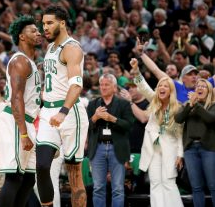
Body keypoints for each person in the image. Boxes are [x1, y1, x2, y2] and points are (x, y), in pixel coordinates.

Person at [36, 5, 89, 207]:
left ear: (63, 23)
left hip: (69, 113)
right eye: (43, 24)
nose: (45, 28)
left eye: (49, 23)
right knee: (41, 166)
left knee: (74, 174)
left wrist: (63, 111)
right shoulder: (50, 48)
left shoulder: (72, 48)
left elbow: (76, 85)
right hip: (48, 110)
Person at [0, 15, 42, 207]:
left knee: (29, 179)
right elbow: (16, 98)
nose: (39, 33)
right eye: (33, 31)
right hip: (16, 122)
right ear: (22, 37)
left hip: (28, 121)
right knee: (14, 177)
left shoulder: (30, 62)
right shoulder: (20, 61)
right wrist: (23, 133)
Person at [130, 58, 184, 207]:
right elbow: (143, 87)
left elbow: (180, 133)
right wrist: (136, 71)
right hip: (152, 149)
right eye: (160, 85)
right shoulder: (154, 101)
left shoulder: (178, 108)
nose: (162, 88)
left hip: (171, 149)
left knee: (168, 182)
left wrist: (180, 154)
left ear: (171, 90)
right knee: (155, 183)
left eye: (166, 86)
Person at [86, 74, 134, 207]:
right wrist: (95, 117)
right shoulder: (93, 104)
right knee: (98, 188)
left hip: (117, 147)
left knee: (118, 188)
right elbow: (86, 127)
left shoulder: (123, 104)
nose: (103, 87)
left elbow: (129, 125)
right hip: (98, 148)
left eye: (107, 85)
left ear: (114, 87)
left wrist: (112, 119)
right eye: (101, 85)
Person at [175, 78, 215, 207]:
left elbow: (210, 119)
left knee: (213, 185)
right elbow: (178, 119)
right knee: (196, 187)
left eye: (204, 86)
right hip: (191, 149)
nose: (200, 88)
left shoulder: (212, 105)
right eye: (198, 86)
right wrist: (190, 105)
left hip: (208, 148)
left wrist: (196, 105)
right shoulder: (189, 105)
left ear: (209, 91)